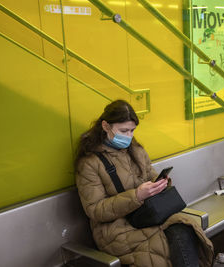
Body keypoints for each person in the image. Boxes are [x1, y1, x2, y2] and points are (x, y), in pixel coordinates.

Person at [74, 100, 214, 267]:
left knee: (184, 228)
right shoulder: (90, 162)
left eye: (132, 130)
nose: (128, 136)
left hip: (149, 215)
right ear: (106, 126)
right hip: (116, 229)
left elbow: (150, 176)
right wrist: (136, 196)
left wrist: (160, 184)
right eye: (123, 130)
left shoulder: (136, 151)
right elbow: (95, 209)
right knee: (164, 250)